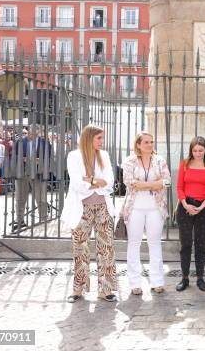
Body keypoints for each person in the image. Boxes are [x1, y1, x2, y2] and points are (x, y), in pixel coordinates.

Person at [61, 124, 118, 303]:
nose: (102, 141)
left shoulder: (105, 155)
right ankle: (78, 289)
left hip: (103, 207)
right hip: (81, 208)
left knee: (106, 249)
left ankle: (106, 289)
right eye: (99, 138)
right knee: (80, 248)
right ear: (89, 138)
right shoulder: (74, 156)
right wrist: (97, 182)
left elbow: (110, 182)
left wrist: (91, 181)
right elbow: (77, 183)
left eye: (102, 138)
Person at [120, 132, 171, 295]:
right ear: (138, 144)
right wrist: (154, 184)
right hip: (135, 208)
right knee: (134, 244)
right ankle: (135, 283)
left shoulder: (160, 160)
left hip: (155, 208)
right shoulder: (129, 161)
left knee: (155, 243)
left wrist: (144, 184)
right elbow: (129, 182)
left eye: (152, 141)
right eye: (146, 142)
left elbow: (167, 181)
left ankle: (157, 282)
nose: (150, 144)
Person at [175, 136, 205, 292]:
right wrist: (186, 204)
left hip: (203, 208)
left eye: (201, 150)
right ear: (191, 150)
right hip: (185, 207)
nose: (198, 153)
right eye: (195, 150)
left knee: (201, 244)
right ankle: (184, 278)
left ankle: (200, 278)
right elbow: (179, 187)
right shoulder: (184, 164)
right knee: (185, 244)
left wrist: (201, 207)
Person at [13, 125, 52, 230]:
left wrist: (40, 161)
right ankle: (20, 221)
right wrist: (23, 159)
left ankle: (43, 220)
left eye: (35, 134)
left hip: (38, 173)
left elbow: (49, 158)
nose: (32, 135)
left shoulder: (45, 143)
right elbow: (14, 156)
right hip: (22, 173)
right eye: (30, 133)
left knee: (40, 197)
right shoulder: (19, 142)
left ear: (39, 133)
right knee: (20, 198)